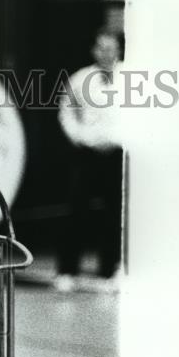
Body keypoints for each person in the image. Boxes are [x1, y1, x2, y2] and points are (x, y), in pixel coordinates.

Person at [55, 28, 125, 292]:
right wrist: (79, 137)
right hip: (87, 153)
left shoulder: (133, 77)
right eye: (101, 48)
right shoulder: (81, 78)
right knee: (76, 211)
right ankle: (66, 272)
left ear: (118, 50)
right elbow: (66, 111)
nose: (105, 53)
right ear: (93, 50)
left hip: (118, 152)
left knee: (114, 213)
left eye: (111, 48)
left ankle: (110, 272)